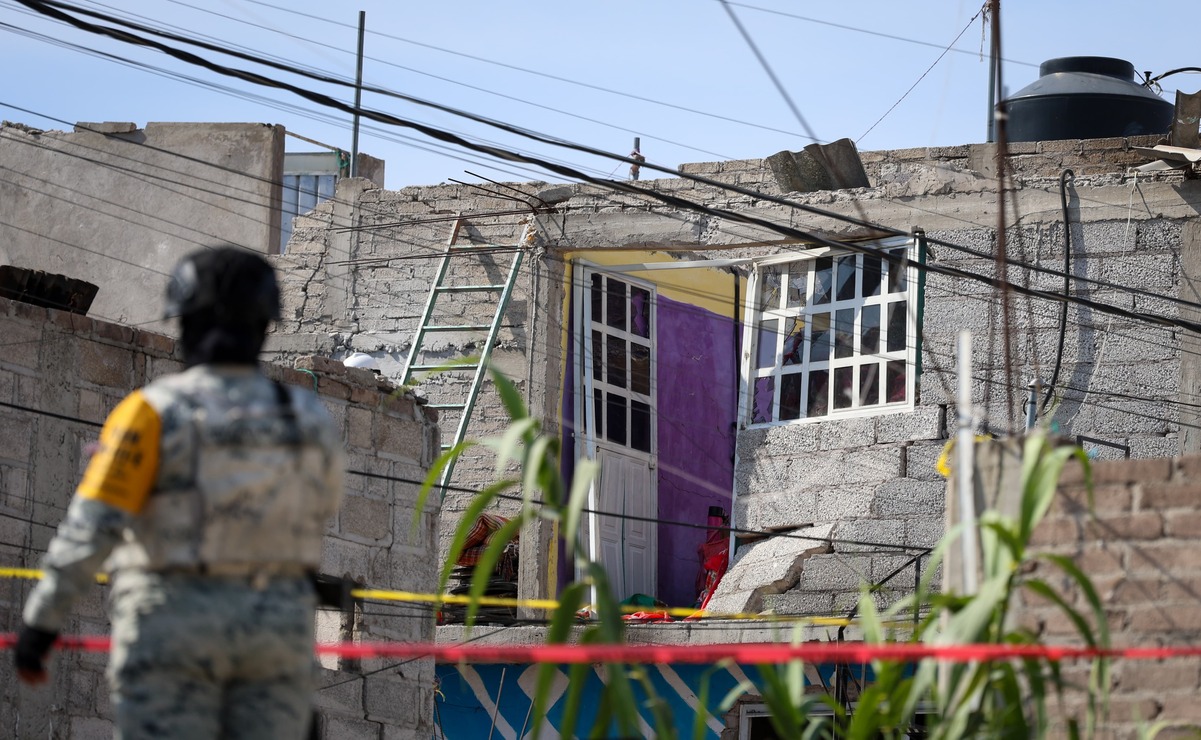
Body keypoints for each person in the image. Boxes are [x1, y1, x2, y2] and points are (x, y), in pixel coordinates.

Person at [15, 246, 345, 739]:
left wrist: (41, 625)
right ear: (263, 326)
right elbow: (320, 512)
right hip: (274, 638)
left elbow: (92, 528)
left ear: (184, 322)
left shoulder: (150, 412)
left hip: (170, 636)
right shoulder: (308, 418)